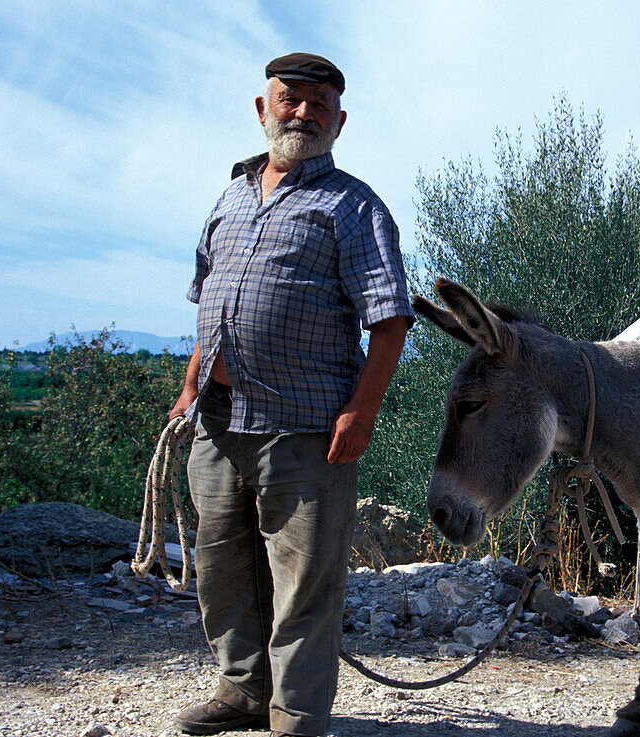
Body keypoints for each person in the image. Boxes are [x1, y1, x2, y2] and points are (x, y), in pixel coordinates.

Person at [168, 53, 413, 737]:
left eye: (319, 104)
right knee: (219, 568)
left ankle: (297, 717)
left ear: (340, 121)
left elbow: (390, 321)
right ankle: (242, 689)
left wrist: (361, 412)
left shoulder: (354, 206)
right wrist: (189, 388)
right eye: (291, 98)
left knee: (303, 585)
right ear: (262, 107)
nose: (303, 112)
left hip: (304, 427)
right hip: (217, 424)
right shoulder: (230, 196)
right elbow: (206, 305)